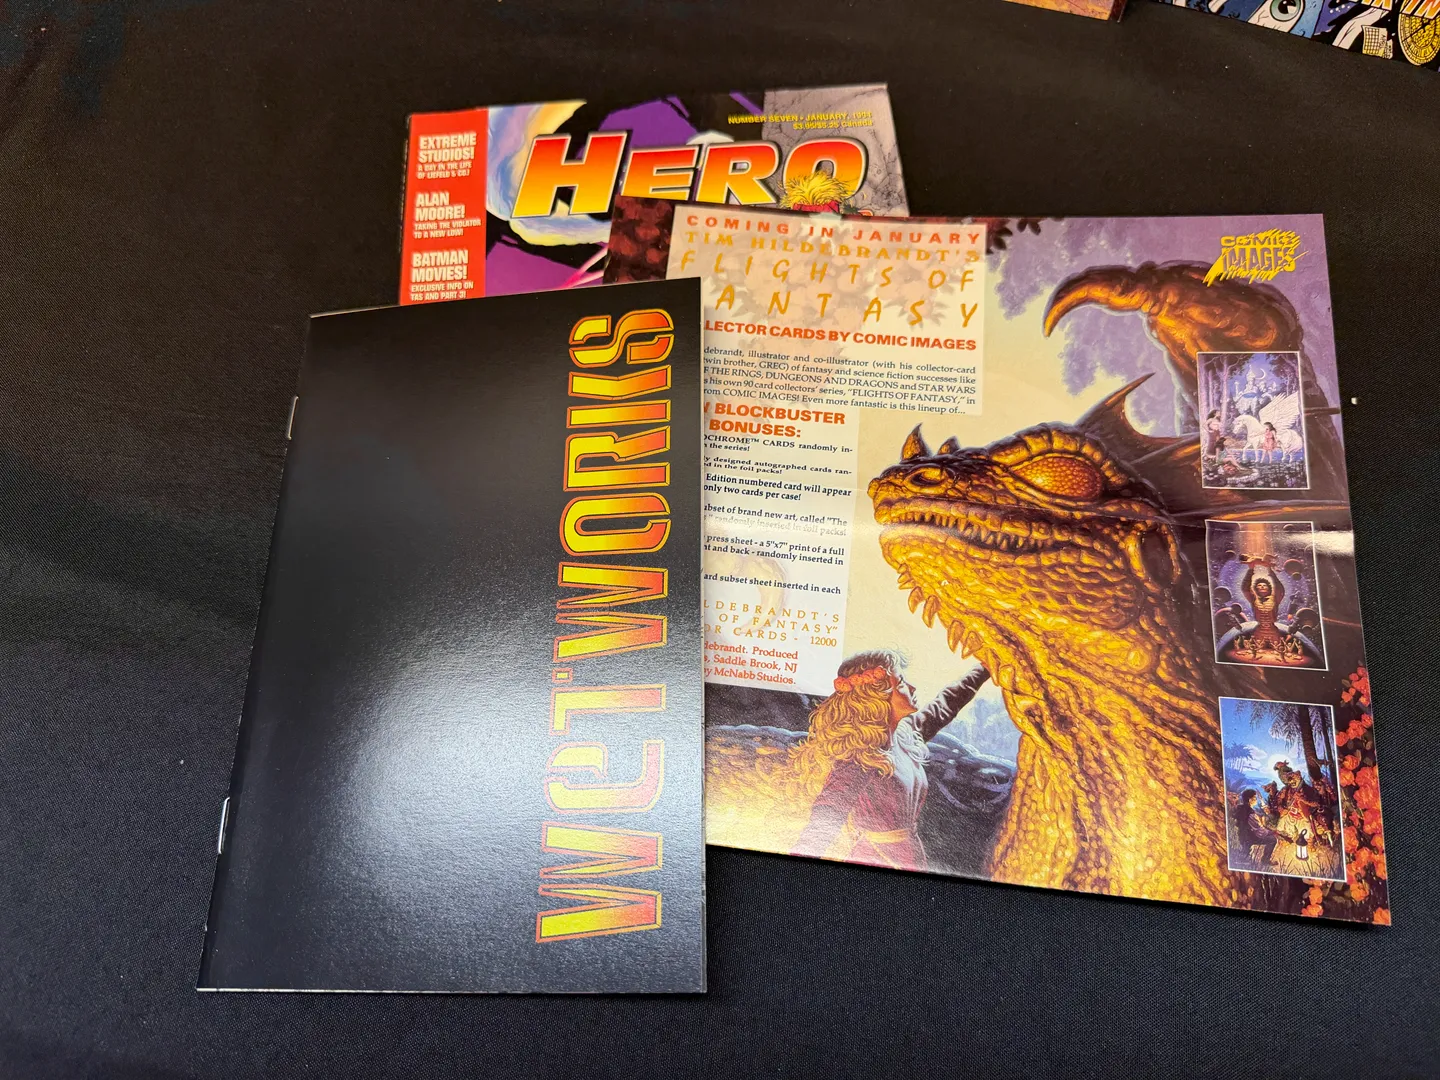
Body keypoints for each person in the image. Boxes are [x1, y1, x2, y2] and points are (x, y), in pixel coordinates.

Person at [790, 650, 989, 871]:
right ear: (878, 694)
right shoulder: (860, 757)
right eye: (901, 682)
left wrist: (985, 668)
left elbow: (946, 705)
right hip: (873, 859)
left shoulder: (906, 734)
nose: (912, 688)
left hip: (910, 855)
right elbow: (825, 819)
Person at [1235, 788, 1277, 868]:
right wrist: (1271, 832)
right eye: (1254, 798)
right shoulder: (1251, 814)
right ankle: (1265, 860)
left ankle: (1244, 855)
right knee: (1273, 840)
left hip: (1241, 834)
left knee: (1245, 851)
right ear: (1250, 800)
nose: (1256, 799)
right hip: (1249, 837)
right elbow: (1259, 830)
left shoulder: (1240, 808)